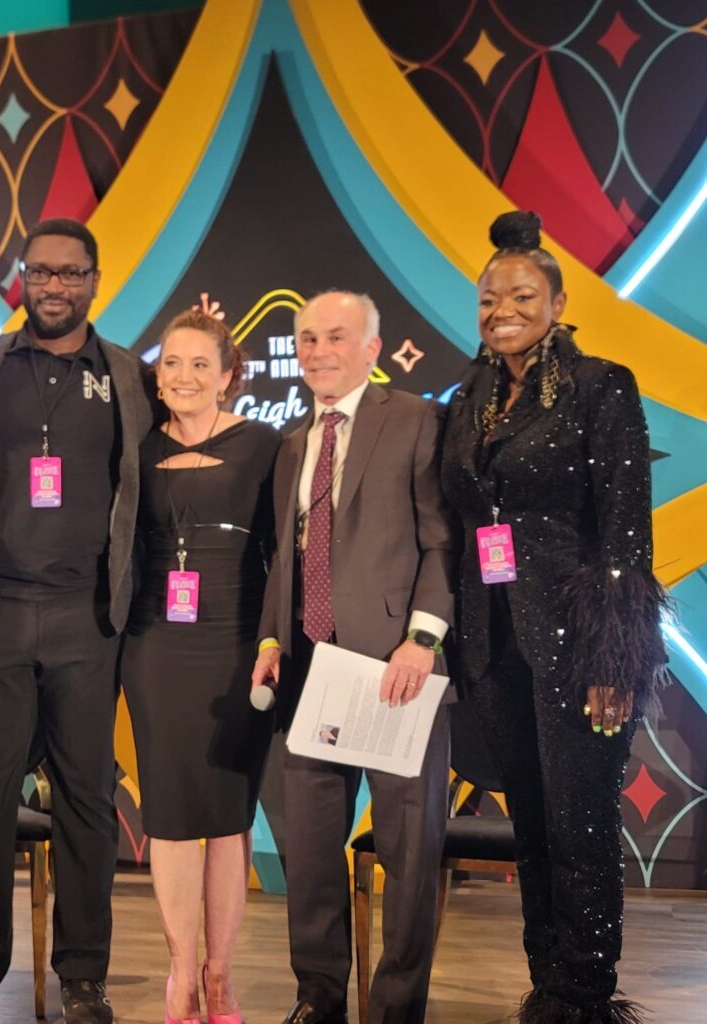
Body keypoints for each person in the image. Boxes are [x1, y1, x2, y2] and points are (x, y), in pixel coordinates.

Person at [439, 212, 669, 1024]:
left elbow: (626, 534)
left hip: (578, 646)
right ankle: (548, 984)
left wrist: (615, 661)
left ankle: (586, 994)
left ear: (559, 303)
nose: (502, 309)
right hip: (492, 641)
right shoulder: (467, 399)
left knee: (580, 822)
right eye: (489, 298)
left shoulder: (601, 387)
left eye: (522, 295)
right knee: (532, 823)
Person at [0, 219, 156, 1024]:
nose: (55, 285)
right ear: (21, 278)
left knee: (87, 800)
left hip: (87, 617)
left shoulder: (130, 375)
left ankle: (84, 977)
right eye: (41, 271)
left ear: (95, 280)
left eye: (70, 273)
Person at [251, 291, 455, 1024]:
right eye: (307, 338)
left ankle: (397, 1008)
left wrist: (423, 640)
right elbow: (284, 556)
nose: (318, 351)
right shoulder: (290, 444)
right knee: (309, 852)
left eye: (336, 337)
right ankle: (319, 997)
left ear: (372, 348)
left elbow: (442, 540)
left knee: (408, 856)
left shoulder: (417, 419)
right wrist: (271, 640)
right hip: (312, 669)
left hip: (398, 669)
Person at [120, 310, 280, 1024]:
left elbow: (282, 554)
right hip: (156, 647)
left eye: (199, 365)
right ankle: (182, 973)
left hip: (238, 645)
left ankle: (222, 974)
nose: (183, 377)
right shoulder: (136, 448)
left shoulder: (264, 446)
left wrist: (273, 642)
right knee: (173, 813)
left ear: (228, 376)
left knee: (227, 816)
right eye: (172, 363)